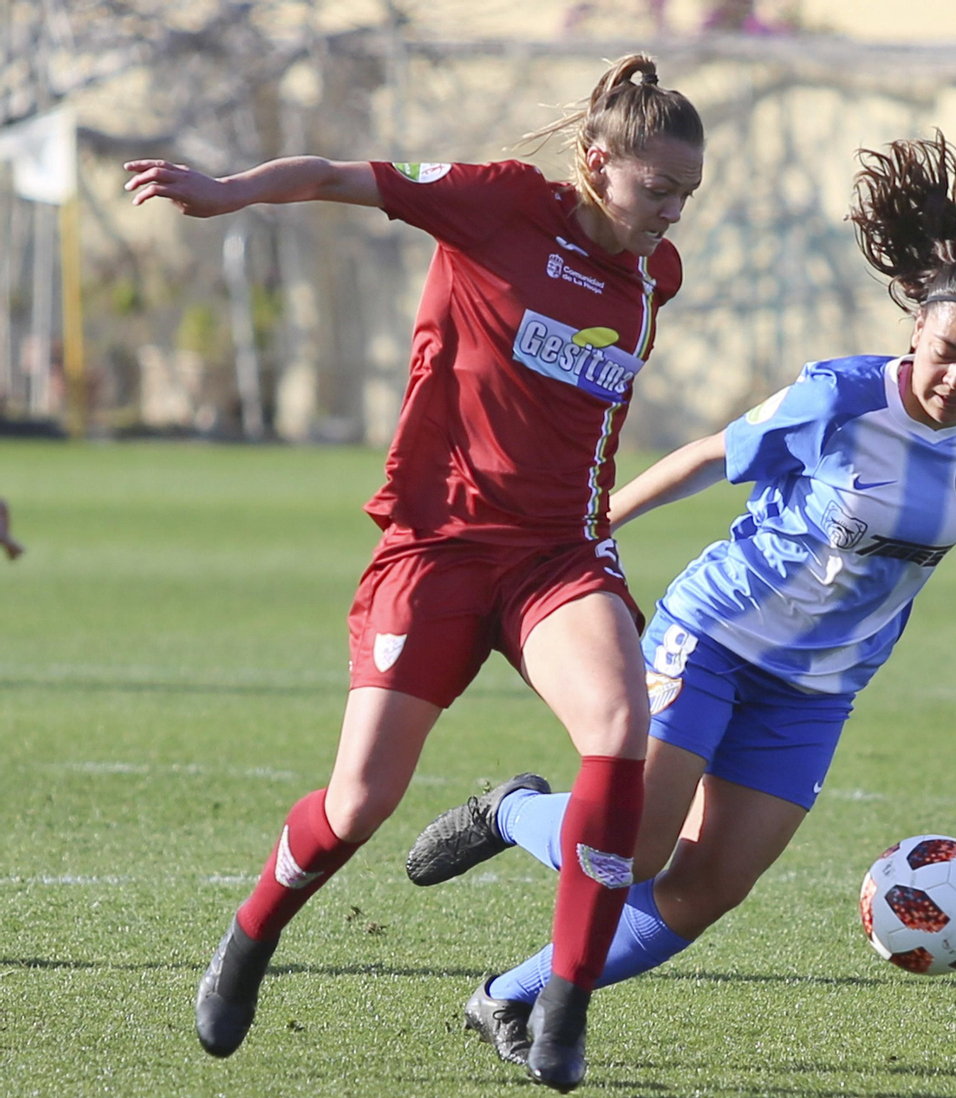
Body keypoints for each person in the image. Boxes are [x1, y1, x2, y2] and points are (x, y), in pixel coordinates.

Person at [402, 133, 956, 1073]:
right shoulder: (840, 397)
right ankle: (512, 811)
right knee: (640, 846)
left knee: (707, 889)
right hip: (716, 636)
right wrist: (597, 520)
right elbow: (709, 456)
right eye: (946, 354)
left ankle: (507, 996)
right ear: (917, 332)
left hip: (817, 690)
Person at [125, 54, 704, 1090]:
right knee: (358, 804)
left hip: (556, 556)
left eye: (686, 195)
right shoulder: (496, 203)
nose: (671, 213)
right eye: (657, 188)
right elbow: (337, 176)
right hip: (436, 548)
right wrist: (228, 191)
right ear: (594, 161)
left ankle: (563, 1006)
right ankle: (253, 932)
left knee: (622, 730)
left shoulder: (654, 278)